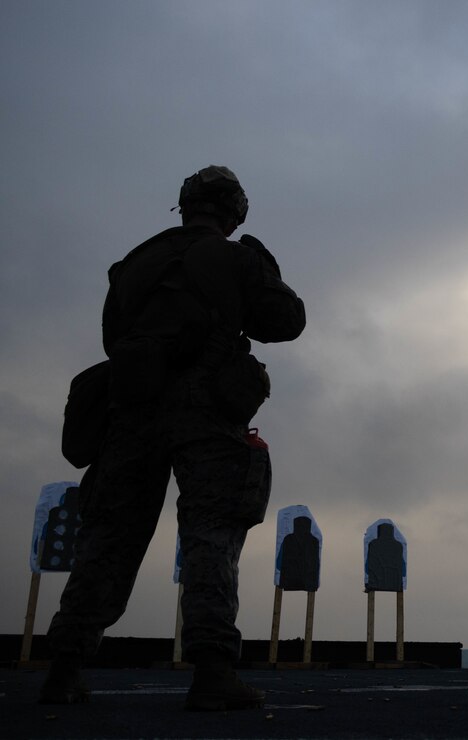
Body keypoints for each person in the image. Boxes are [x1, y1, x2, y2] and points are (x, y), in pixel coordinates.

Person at [40, 166, 307, 710]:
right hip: (203, 404)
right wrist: (259, 269)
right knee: (211, 531)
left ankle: (63, 668)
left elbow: (114, 335)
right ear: (234, 209)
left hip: (131, 404)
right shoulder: (234, 257)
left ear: (184, 207)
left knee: (109, 535)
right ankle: (212, 672)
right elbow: (286, 320)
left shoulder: (136, 262)